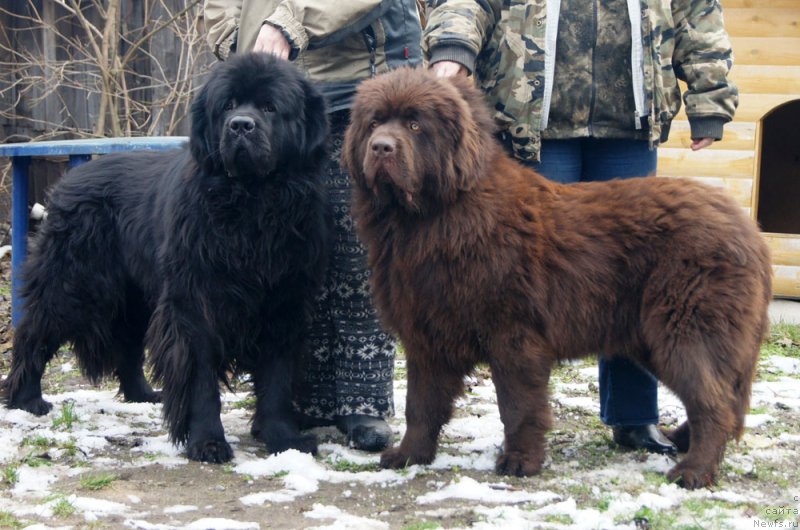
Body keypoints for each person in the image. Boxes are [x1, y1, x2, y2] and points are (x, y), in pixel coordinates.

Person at [423, 0, 738, 454]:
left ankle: (634, 420)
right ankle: (524, 431)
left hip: (629, 122)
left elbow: (697, 13)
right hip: (535, 123)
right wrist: (454, 47)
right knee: (528, 295)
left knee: (633, 280)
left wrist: (711, 97)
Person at [203, 0, 423, 451]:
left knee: (356, 258)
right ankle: (301, 402)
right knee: (295, 264)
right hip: (273, 94)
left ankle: (363, 403)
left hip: (362, 91)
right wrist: (233, 37)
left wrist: (286, 23)